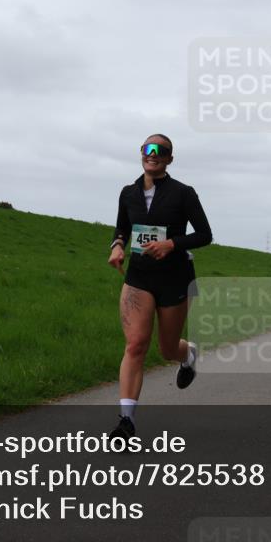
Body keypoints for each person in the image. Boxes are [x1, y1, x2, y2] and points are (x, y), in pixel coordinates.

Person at [107, 134, 212, 441]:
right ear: (141, 154)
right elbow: (122, 228)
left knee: (167, 349)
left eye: (160, 151)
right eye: (148, 149)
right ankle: (126, 421)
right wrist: (117, 246)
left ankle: (187, 354)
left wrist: (172, 244)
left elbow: (205, 234)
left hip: (174, 277)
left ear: (169, 159)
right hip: (139, 277)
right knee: (136, 344)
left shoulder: (183, 193)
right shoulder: (128, 193)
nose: (153, 154)